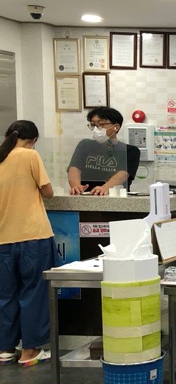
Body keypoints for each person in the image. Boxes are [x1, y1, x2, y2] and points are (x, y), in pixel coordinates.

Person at [0, 120, 55, 366]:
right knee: (34, 293)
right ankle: (30, 351)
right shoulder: (29, 155)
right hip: (33, 236)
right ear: (33, 139)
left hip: (3, 239)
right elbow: (48, 192)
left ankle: (5, 349)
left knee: (5, 295)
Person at [68, 107, 139, 195]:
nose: (96, 129)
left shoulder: (130, 151)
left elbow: (122, 175)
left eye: (101, 124)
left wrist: (105, 188)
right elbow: (74, 169)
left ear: (116, 127)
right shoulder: (85, 145)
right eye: (93, 125)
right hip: (85, 195)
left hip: (115, 197)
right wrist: (76, 187)